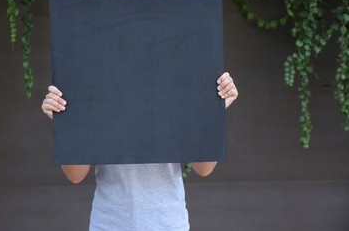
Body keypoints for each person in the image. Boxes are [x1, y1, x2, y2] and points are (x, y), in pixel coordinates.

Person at [41, 72, 238, 230]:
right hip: (109, 224)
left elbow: (203, 168)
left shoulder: (175, 86)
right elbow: (76, 175)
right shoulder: (98, 89)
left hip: (168, 223)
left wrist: (212, 112)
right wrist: (66, 124)